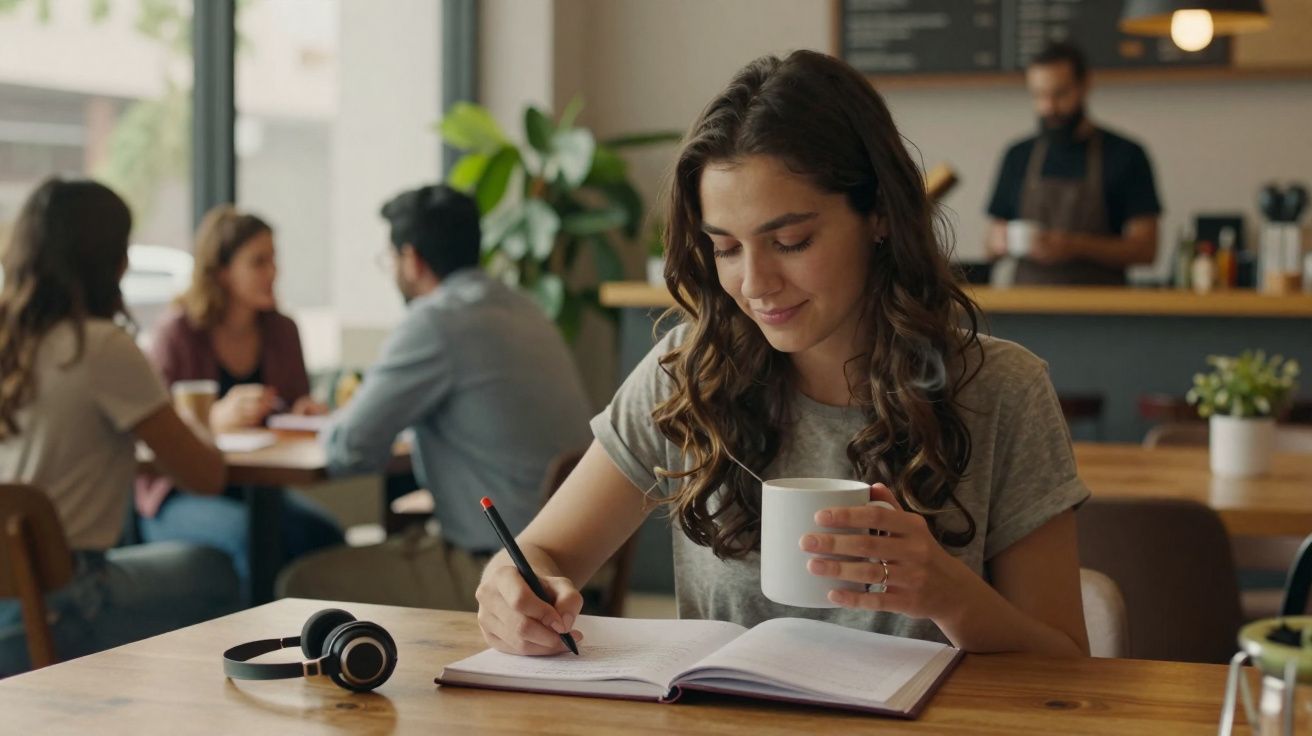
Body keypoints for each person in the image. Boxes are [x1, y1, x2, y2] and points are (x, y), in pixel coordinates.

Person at [477, 50, 1092, 658]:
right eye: (725, 249)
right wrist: (513, 594)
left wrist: (946, 593)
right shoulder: (687, 376)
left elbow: (1067, 670)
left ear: (879, 214)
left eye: (791, 241)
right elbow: (541, 554)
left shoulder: (1002, 390)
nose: (754, 282)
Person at [278, 184, 593, 611]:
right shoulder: (525, 309)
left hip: (503, 570)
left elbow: (350, 449)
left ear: (411, 259)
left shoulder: (436, 321)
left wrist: (334, 417)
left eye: (389, 259)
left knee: (299, 582)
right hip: (580, 559)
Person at [0, 178, 239, 675]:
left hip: (9, 598)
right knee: (215, 569)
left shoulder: (10, 344)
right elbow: (205, 476)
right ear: (112, 259)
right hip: (62, 599)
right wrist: (204, 421)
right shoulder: (99, 345)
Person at [136, 205, 343, 587]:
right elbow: (150, 429)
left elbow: (292, 406)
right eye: (258, 262)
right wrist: (212, 420)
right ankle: (250, 643)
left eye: (273, 259)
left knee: (325, 537)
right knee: (251, 539)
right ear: (222, 271)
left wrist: (303, 412)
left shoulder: (281, 330)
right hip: (178, 493)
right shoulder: (177, 334)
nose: (273, 272)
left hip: (260, 489)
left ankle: (316, 639)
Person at [985, 42, 1162, 284]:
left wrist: (1074, 246)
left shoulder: (1126, 154)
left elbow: (1145, 250)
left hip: (1103, 311)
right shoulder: (1018, 156)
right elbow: (989, 244)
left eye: (1059, 94)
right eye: (1039, 95)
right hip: (1027, 310)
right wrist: (997, 243)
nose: (1048, 107)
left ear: (1085, 85)